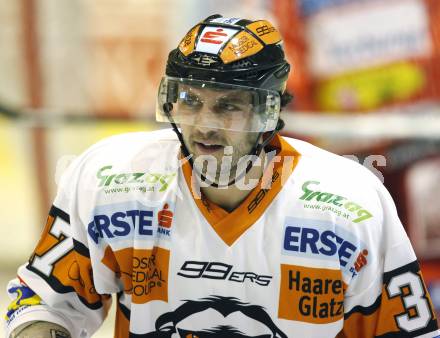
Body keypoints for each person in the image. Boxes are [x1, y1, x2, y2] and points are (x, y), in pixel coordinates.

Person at [4, 14, 439, 338]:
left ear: (268, 109)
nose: (205, 124)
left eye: (228, 105)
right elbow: (45, 299)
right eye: (190, 100)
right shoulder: (113, 180)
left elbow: (405, 331)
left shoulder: (347, 202)